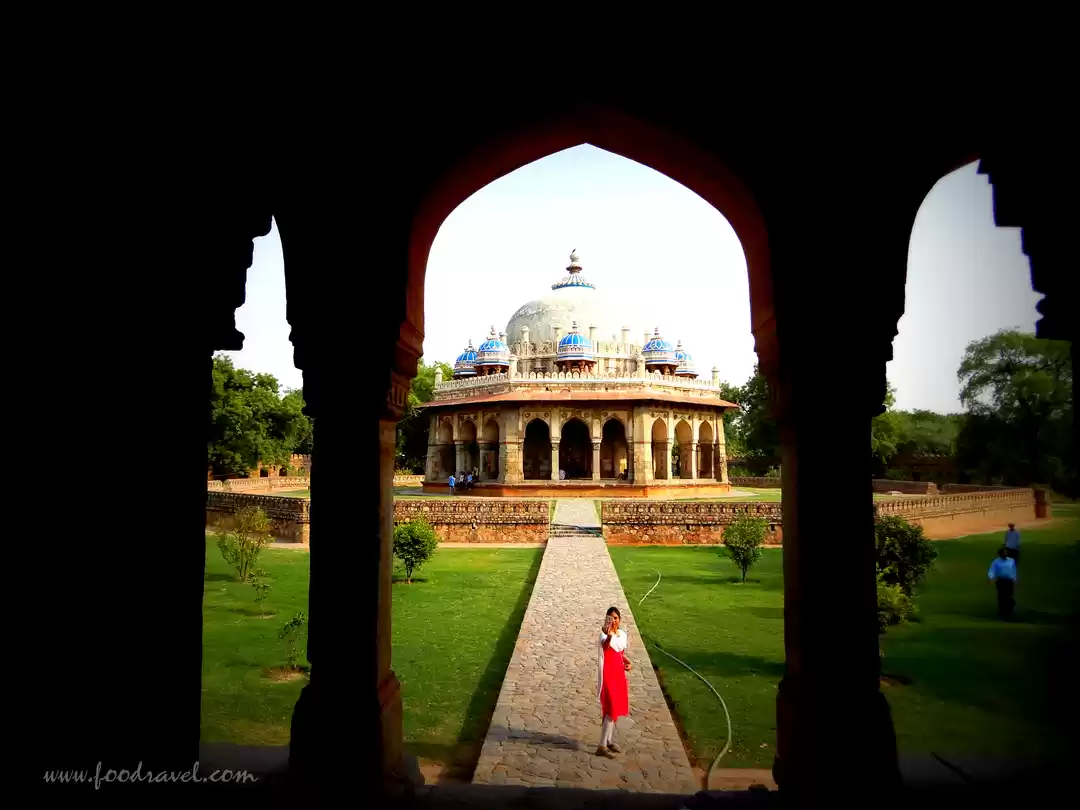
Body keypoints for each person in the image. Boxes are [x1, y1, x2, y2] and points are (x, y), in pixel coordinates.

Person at [596, 606, 633, 758]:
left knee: (615, 708)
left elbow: (619, 652)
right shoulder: (604, 635)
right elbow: (606, 647)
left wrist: (628, 663)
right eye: (610, 618)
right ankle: (601, 746)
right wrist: (609, 635)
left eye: (616, 618)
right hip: (608, 675)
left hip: (619, 675)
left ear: (620, 619)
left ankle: (609, 740)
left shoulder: (622, 635)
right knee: (611, 708)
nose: (613, 621)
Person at [988, 546, 1017, 620]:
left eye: (1006, 552)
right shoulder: (996, 562)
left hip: (1009, 581)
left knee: (1010, 596)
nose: (1005, 554)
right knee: (1002, 597)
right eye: (1004, 553)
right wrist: (991, 577)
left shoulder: (1011, 561)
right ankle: (1003, 612)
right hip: (1001, 581)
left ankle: (1009, 612)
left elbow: (1013, 570)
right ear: (1000, 554)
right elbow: (992, 570)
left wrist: (1014, 578)